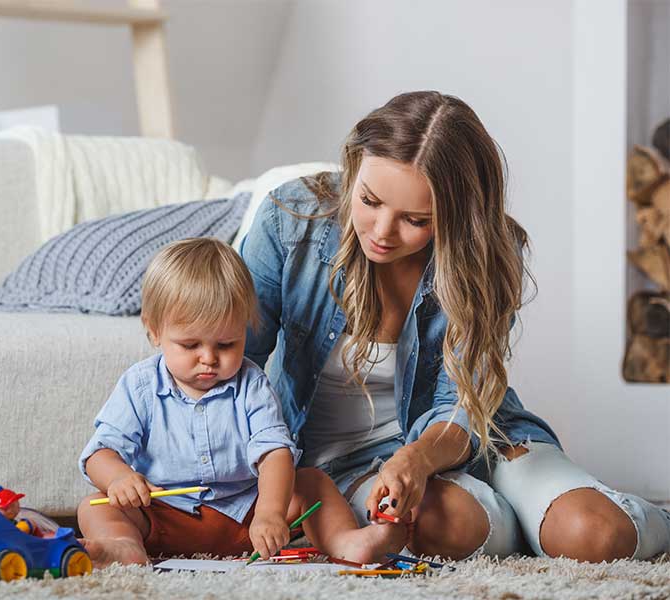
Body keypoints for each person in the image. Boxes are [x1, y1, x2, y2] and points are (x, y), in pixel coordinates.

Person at [240, 91, 670, 562]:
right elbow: (238, 366)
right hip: (347, 459)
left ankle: (579, 519)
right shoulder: (290, 219)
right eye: (369, 200)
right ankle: (528, 527)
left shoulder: (485, 249)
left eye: (415, 220)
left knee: (594, 536)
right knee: (441, 526)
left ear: (455, 215)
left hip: (479, 434)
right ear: (354, 165)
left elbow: (460, 402)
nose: (382, 231)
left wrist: (418, 459)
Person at [76, 238, 409, 568]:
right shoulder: (140, 385)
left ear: (245, 330)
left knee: (313, 482)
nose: (208, 358)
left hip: (248, 519)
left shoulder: (251, 384)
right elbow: (100, 452)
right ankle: (123, 547)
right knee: (94, 506)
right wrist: (118, 477)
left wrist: (270, 512)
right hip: (165, 515)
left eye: (226, 343)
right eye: (190, 344)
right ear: (154, 332)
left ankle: (346, 542)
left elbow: (275, 453)